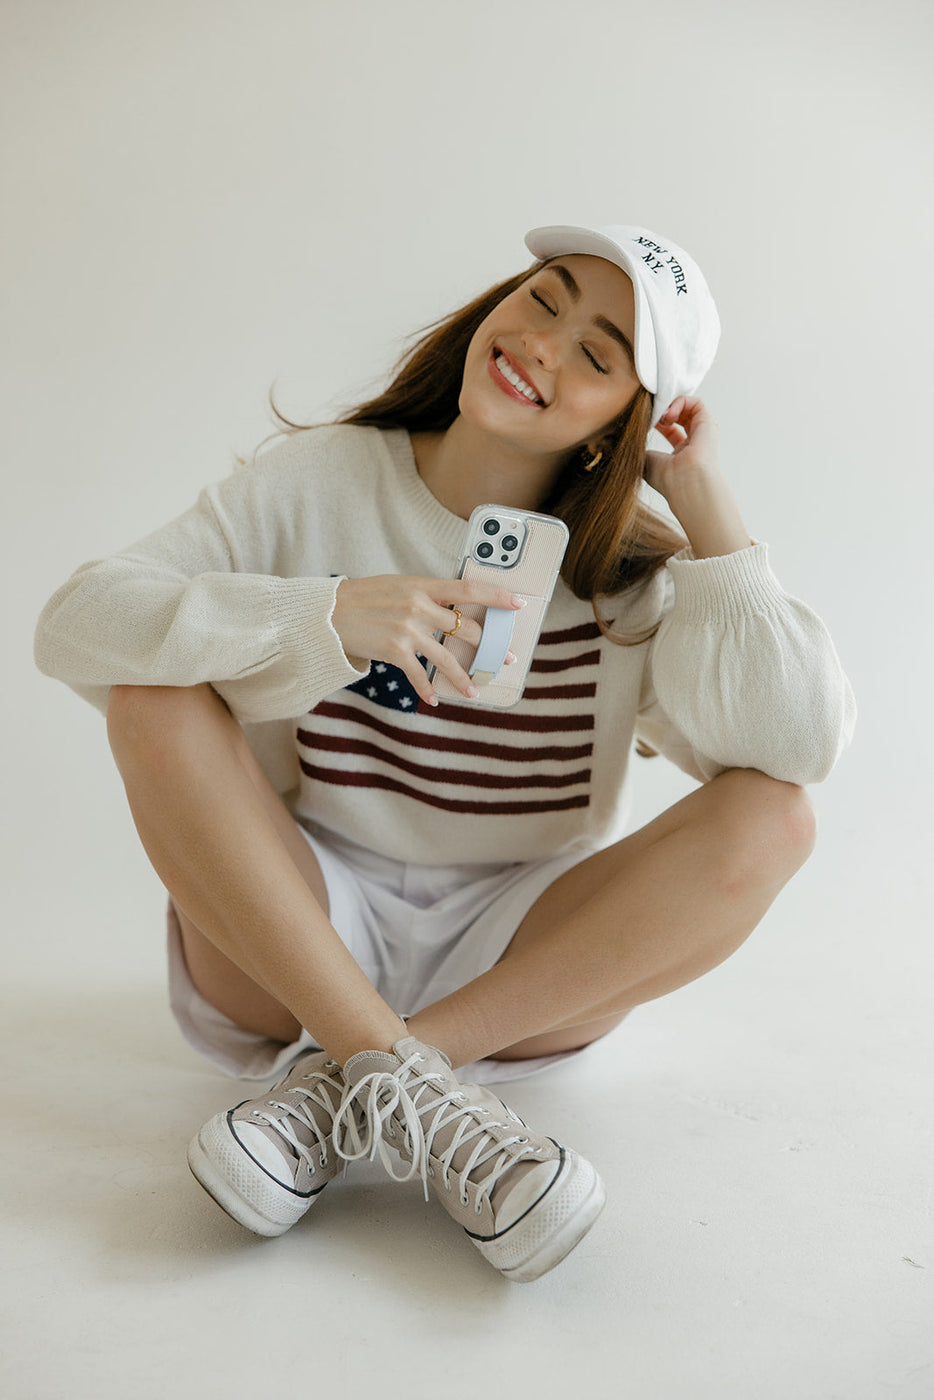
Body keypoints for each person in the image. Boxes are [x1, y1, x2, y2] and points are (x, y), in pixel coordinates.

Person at [34, 222, 856, 1283]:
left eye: (599, 355)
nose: (544, 345)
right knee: (151, 700)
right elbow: (77, 624)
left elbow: (797, 747)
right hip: (294, 924)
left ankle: (356, 1077)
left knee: (774, 816)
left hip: (519, 952)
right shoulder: (321, 481)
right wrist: (323, 617)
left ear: (627, 423)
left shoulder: (630, 571)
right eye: (544, 298)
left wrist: (704, 511)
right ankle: (402, 1073)